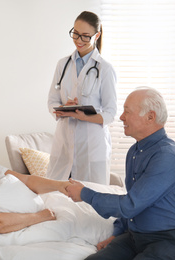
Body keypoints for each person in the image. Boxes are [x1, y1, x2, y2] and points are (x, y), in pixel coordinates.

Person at [66, 87, 175, 260]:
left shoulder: (167, 156)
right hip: (135, 238)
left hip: (173, 241)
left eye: (127, 111)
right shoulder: (135, 151)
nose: (121, 117)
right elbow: (135, 202)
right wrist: (117, 234)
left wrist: (85, 193)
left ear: (150, 117)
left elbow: (130, 205)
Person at [47, 11, 117, 185]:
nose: (79, 40)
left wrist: (85, 117)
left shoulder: (105, 69)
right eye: (76, 34)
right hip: (64, 143)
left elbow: (110, 113)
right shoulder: (63, 64)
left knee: (90, 202)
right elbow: (52, 101)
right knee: (56, 195)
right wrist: (63, 108)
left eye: (85, 36)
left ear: (97, 35)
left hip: (92, 147)